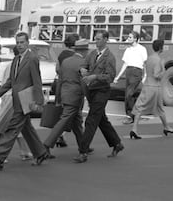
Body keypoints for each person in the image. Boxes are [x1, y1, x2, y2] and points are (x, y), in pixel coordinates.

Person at [0, 31, 51, 170]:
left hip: (25, 101)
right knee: (27, 129)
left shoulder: (32, 58)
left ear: (27, 43)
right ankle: (41, 153)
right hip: (17, 100)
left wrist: (38, 101)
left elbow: (36, 80)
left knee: (12, 129)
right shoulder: (16, 59)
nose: (19, 45)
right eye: (18, 42)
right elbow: (10, 81)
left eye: (22, 42)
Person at [74, 30, 124, 163]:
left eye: (99, 39)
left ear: (106, 40)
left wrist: (95, 76)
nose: (96, 42)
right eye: (95, 39)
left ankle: (83, 151)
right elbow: (83, 66)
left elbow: (110, 76)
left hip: (102, 91)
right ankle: (117, 143)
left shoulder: (109, 57)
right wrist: (82, 70)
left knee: (91, 120)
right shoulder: (92, 54)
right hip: (91, 90)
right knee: (101, 119)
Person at [43, 38, 89, 154]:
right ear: (84, 51)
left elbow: (60, 80)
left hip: (64, 93)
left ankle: (83, 145)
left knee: (77, 122)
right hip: (76, 95)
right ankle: (47, 144)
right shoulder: (83, 63)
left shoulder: (66, 61)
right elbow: (84, 82)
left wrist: (58, 97)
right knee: (64, 121)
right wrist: (88, 96)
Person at [128, 39, 173, 139]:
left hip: (147, 86)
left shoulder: (149, 58)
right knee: (158, 107)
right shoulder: (158, 60)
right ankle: (135, 129)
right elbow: (156, 75)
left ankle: (165, 127)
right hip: (155, 87)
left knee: (142, 107)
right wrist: (164, 72)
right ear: (160, 48)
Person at [114, 31, 147, 123]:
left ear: (135, 39)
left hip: (137, 72)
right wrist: (118, 76)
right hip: (129, 71)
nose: (128, 39)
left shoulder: (142, 49)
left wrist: (145, 75)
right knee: (127, 95)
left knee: (129, 93)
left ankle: (131, 116)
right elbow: (125, 64)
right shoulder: (128, 50)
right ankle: (131, 114)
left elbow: (145, 64)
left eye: (130, 37)